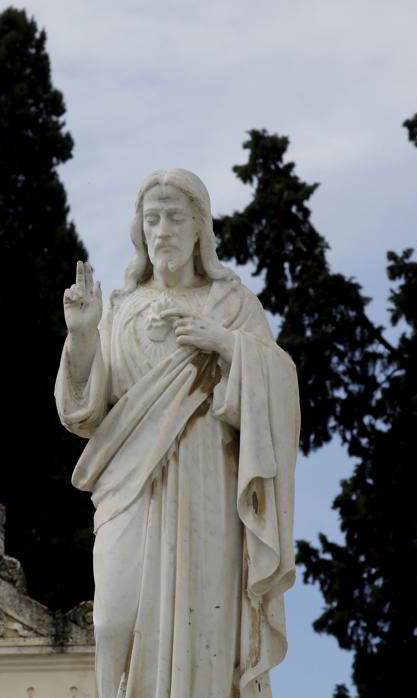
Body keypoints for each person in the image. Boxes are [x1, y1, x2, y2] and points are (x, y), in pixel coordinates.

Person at [55, 169, 298, 697]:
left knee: (204, 621)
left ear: (199, 229)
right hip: (128, 483)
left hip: (208, 476)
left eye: (174, 218)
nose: (162, 230)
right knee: (113, 622)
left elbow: (280, 388)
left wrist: (226, 344)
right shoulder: (120, 309)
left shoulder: (231, 305)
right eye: (152, 219)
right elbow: (84, 415)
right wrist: (82, 337)